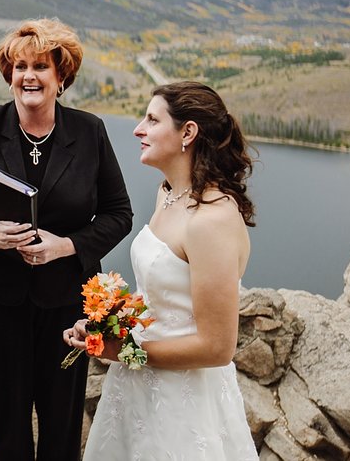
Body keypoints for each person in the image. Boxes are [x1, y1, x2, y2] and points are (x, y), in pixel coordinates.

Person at [0, 18, 133, 461]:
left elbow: (119, 214)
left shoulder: (89, 132)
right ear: (9, 74)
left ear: (61, 77)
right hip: (0, 306)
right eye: (19, 66)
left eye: (40, 67)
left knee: (62, 425)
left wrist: (66, 246)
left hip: (68, 312)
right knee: (7, 426)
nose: (28, 76)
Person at [63, 81, 259, 460]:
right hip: (136, 389)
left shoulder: (211, 221)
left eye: (152, 120)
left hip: (184, 402)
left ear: (188, 132)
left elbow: (218, 348)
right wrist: (109, 324)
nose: (138, 129)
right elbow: (163, 294)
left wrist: (127, 352)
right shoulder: (167, 193)